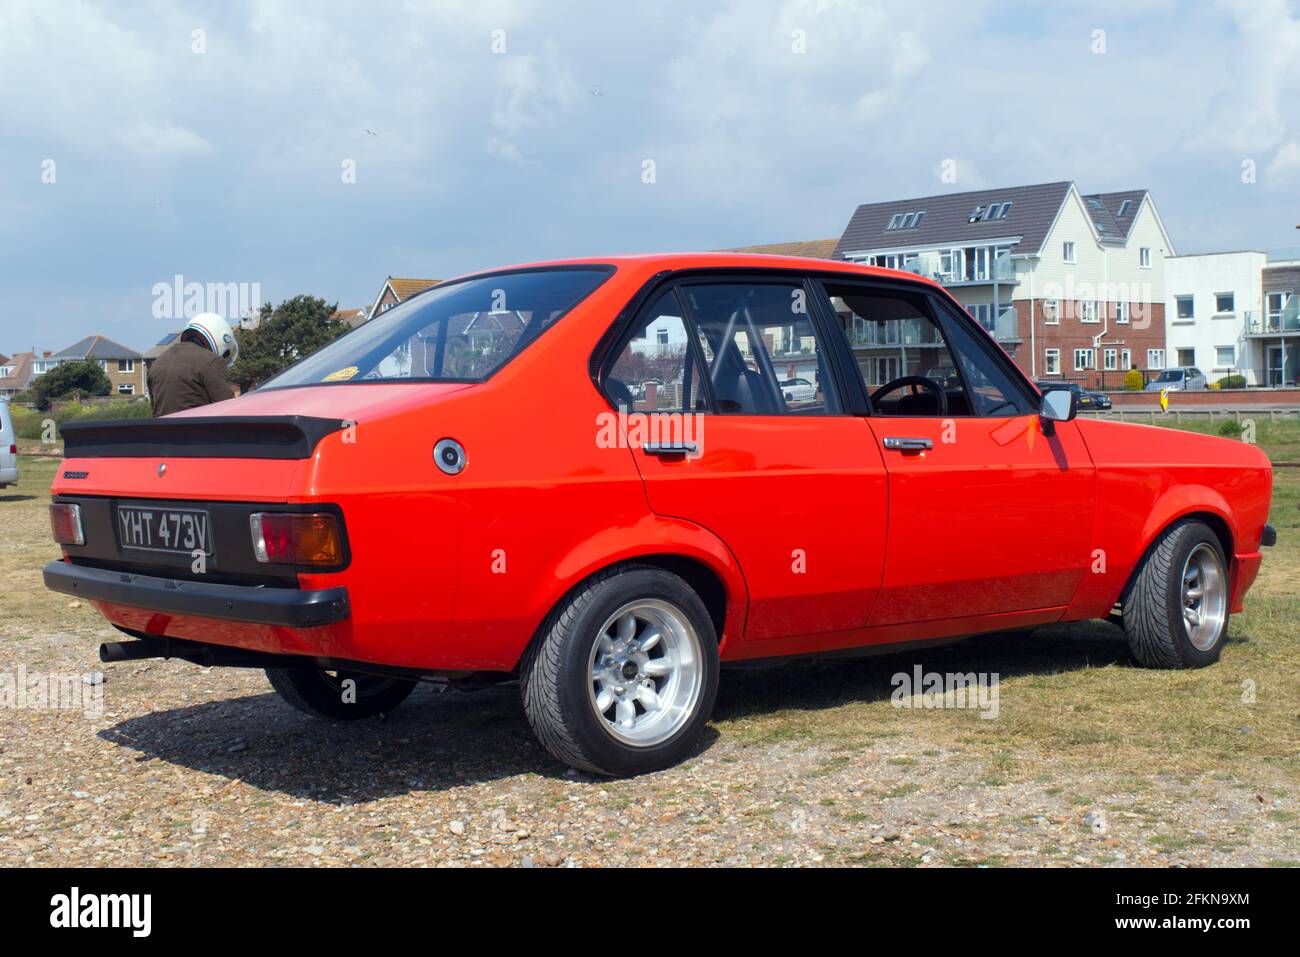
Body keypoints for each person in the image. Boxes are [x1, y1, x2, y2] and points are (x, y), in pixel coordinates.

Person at [148, 312, 239, 416]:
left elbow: (155, 408)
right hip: (198, 430)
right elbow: (228, 408)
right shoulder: (212, 361)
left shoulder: (157, 363)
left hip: (162, 431)